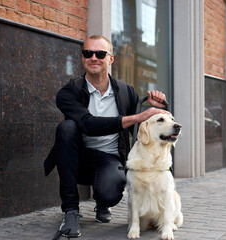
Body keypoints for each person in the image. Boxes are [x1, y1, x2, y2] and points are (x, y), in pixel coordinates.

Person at [44, 35, 169, 238]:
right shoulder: (69, 92)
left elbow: (140, 128)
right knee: (66, 128)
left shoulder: (126, 92)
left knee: (110, 193)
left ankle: (103, 202)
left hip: (109, 156)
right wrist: (136, 116)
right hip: (77, 157)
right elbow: (88, 124)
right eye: (88, 53)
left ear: (110, 59)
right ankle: (71, 212)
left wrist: (157, 108)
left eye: (100, 53)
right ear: (83, 57)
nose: (94, 57)